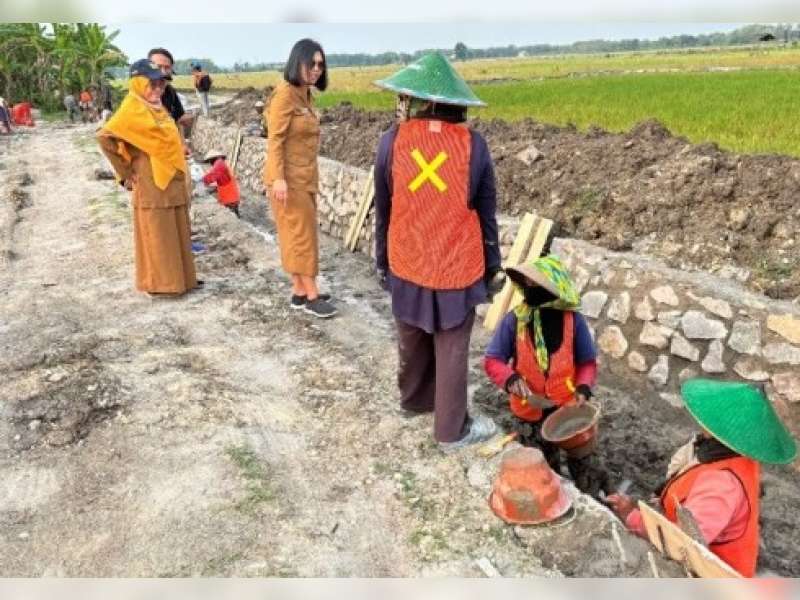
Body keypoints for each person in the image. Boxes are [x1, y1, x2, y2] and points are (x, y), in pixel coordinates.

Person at [373, 52, 504, 451]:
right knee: (451, 345)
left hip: (407, 257)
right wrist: (491, 267)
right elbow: (486, 215)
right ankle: (451, 430)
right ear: (456, 105)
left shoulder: (391, 142)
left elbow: (384, 208)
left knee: (410, 333)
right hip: (455, 264)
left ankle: (414, 401)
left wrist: (383, 261)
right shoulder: (474, 147)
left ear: (419, 101)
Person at [606, 379, 797, 577]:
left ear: (723, 430)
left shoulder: (721, 484)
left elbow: (683, 544)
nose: (703, 420)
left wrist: (632, 516)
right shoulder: (735, 453)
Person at [483, 253, 604, 494]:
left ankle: (590, 496)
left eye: (535, 284)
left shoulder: (572, 321)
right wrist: (512, 380)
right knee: (542, 472)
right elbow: (493, 360)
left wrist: (583, 387)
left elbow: (587, 363)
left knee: (584, 463)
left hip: (568, 410)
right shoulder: (515, 320)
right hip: (529, 410)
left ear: (555, 289)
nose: (529, 288)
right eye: (526, 283)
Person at [97, 58, 198, 296]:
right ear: (139, 84)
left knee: (177, 231)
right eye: (152, 85)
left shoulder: (156, 108)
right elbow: (104, 137)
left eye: (161, 85)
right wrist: (126, 173)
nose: (157, 90)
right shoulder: (132, 108)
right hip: (151, 183)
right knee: (159, 234)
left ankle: (183, 280)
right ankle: (162, 286)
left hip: (171, 178)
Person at [264, 38, 336, 318]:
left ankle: (299, 290)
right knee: (301, 236)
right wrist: (278, 178)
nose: (317, 69)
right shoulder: (284, 95)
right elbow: (275, 140)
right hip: (288, 178)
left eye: (321, 64)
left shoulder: (303, 93)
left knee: (294, 233)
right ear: (298, 63)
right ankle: (313, 296)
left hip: (303, 176)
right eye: (311, 64)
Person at [148, 47, 193, 154]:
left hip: (169, 152)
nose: (163, 72)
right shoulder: (139, 95)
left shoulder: (170, 91)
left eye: (167, 67)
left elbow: (178, 120)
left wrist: (183, 144)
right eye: (158, 67)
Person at [202, 149, 241, 217]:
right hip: (231, 198)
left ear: (212, 159)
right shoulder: (221, 163)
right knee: (235, 215)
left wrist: (202, 180)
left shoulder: (219, 164)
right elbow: (220, 179)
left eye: (209, 161)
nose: (209, 163)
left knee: (232, 217)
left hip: (229, 199)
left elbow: (212, 176)